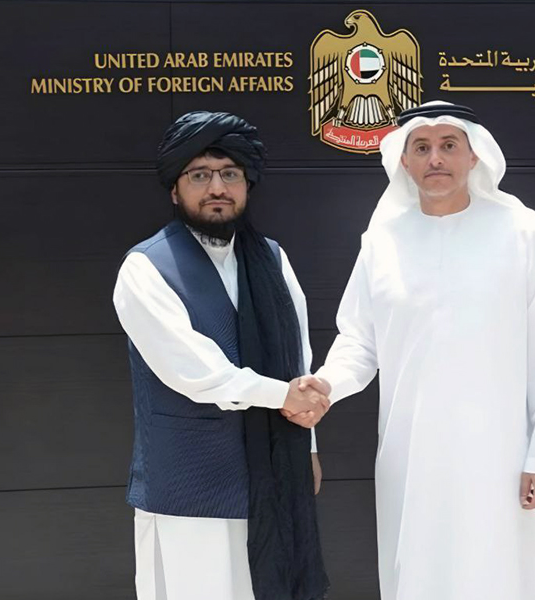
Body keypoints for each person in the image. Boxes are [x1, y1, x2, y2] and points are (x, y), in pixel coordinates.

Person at [297, 101, 535, 600]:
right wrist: (326, 385)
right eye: (421, 148)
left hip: (499, 454)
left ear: (474, 155)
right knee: (417, 573)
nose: (436, 158)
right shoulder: (382, 241)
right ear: (404, 161)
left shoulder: (523, 232)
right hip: (411, 454)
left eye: (449, 145)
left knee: (496, 574)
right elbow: (359, 341)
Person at [113, 111, 329, 600]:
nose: (217, 187)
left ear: (247, 185)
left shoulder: (272, 259)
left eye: (229, 173)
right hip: (190, 482)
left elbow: (299, 361)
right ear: (175, 189)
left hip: (272, 474)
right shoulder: (146, 267)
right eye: (200, 175)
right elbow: (196, 371)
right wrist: (285, 396)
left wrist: (308, 448)